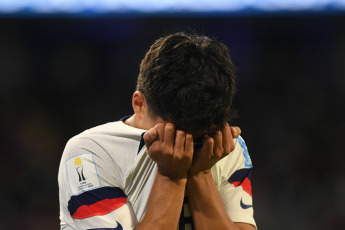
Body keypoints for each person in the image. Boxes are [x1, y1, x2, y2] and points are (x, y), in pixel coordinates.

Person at [58, 32, 257, 230]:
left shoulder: (224, 144)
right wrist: (172, 176)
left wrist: (201, 174)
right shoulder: (91, 151)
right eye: (174, 134)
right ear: (139, 104)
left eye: (198, 140)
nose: (185, 148)